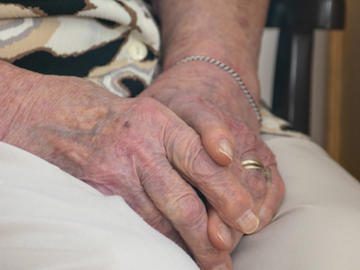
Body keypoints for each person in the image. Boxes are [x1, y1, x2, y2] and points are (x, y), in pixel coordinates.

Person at [0, 1, 359, 270]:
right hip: (15, 115)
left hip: (169, 74)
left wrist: (211, 72)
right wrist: (20, 107)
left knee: (344, 246)